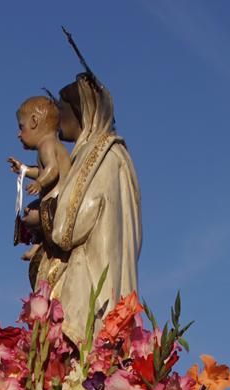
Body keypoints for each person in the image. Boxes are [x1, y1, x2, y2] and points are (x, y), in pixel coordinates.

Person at [31, 72, 141, 347]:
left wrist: (43, 214)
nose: (56, 117)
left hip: (92, 286)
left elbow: (69, 229)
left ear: (83, 112)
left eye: (62, 108)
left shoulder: (102, 157)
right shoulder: (104, 156)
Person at [8, 95, 72, 260]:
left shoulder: (47, 145)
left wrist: (40, 183)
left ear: (34, 122)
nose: (18, 134)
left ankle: (38, 244)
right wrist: (23, 169)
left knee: (29, 215)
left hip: (58, 203)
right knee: (30, 212)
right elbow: (43, 170)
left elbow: (53, 169)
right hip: (55, 201)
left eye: (22, 127)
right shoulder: (49, 144)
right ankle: (37, 245)